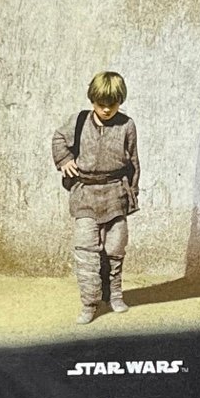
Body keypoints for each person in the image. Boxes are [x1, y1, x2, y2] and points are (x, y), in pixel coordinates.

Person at [51, 71, 140, 324]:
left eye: (113, 104)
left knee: (115, 249)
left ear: (120, 102)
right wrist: (64, 160)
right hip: (86, 195)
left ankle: (115, 295)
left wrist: (132, 194)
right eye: (101, 104)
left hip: (115, 193)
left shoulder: (127, 125)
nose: (107, 110)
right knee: (86, 251)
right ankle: (89, 303)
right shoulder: (79, 121)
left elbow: (133, 162)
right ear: (92, 100)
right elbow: (59, 139)